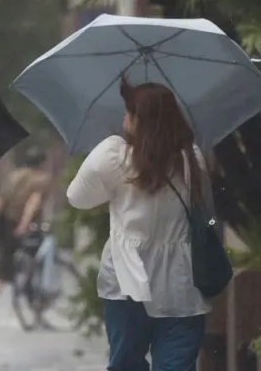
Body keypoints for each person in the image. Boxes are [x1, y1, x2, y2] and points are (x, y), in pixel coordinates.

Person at [66, 77, 215, 371]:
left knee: (125, 364)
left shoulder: (113, 157)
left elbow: (76, 198)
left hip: (126, 282)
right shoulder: (191, 159)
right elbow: (206, 209)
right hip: (181, 285)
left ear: (139, 119)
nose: (123, 117)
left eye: (128, 110)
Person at [0, 147, 51, 330]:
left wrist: (0, 224)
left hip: (6, 225)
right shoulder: (40, 179)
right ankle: (34, 305)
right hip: (25, 228)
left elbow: (0, 202)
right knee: (35, 265)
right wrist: (23, 225)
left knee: (2, 268)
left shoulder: (13, 177)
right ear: (41, 163)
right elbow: (33, 203)